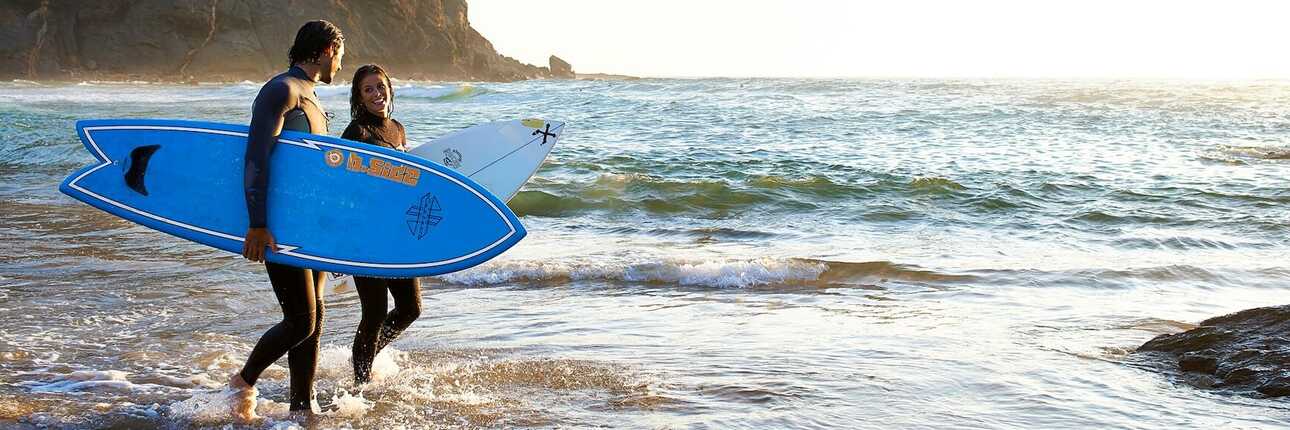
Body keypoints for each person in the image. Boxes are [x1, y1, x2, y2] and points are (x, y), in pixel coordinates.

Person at [228, 20, 345, 421]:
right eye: (340, 56)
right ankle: (242, 382)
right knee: (300, 320)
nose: (340, 66)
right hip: (280, 225)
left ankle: (301, 406)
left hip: (309, 226)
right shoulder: (282, 90)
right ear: (329, 48)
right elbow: (256, 156)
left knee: (315, 317)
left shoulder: (310, 97)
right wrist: (257, 223)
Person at [340, 64, 422, 385]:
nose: (377, 94)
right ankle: (360, 383)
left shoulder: (397, 129)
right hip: (365, 233)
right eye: (368, 90)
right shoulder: (356, 132)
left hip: (395, 232)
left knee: (410, 308)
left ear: (389, 87)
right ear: (359, 98)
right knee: (374, 312)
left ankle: (365, 354)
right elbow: (344, 184)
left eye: (380, 86)